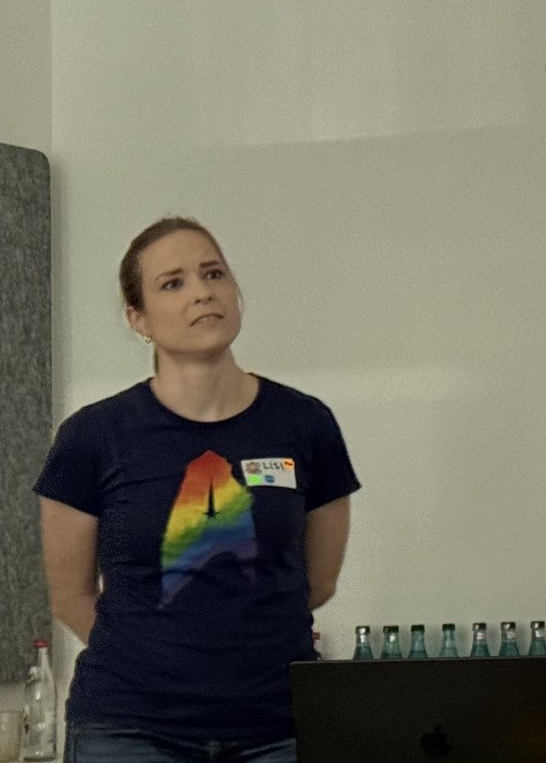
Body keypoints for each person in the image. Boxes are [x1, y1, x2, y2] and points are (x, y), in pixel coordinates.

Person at [35, 218, 360, 763]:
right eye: (173, 283)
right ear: (138, 319)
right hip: (129, 729)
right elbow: (70, 596)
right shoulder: (93, 436)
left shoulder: (305, 424)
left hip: (279, 725)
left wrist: (238, 654)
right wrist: (160, 664)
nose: (203, 292)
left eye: (214, 273)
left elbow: (319, 580)